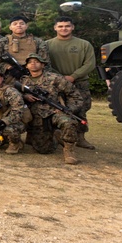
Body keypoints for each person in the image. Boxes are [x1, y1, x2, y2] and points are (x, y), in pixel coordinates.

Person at [20, 54, 83, 165]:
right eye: (30, 62)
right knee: (44, 150)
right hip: (35, 117)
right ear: (26, 66)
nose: (33, 64)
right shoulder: (22, 81)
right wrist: (25, 96)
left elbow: (75, 95)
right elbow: (14, 96)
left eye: (36, 61)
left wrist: (68, 109)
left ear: (43, 65)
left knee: (68, 122)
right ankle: (56, 136)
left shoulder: (55, 78)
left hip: (54, 112)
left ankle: (69, 150)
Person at [47, 15, 97, 149]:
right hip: (56, 84)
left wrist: (73, 76)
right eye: (61, 26)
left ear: (72, 27)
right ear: (55, 28)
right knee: (56, 110)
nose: (64, 28)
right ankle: (58, 137)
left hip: (79, 83)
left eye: (67, 26)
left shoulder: (84, 44)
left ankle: (81, 138)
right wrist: (60, 78)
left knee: (81, 110)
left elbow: (90, 64)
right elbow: (45, 64)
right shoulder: (47, 45)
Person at [0, 15, 49, 83]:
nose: (18, 25)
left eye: (22, 23)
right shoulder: (1, 42)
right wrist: (9, 68)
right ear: (10, 27)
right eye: (15, 24)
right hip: (9, 77)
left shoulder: (38, 42)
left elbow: (45, 61)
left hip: (34, 76)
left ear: (26, 26)